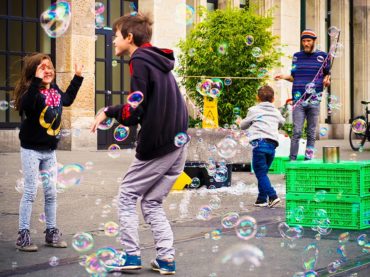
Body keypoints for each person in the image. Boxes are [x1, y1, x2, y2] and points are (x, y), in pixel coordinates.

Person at [91, 12, 188, 275]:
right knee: (151, 202)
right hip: (178, 143)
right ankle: (166, 259)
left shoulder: (140, 60)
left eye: (115, 36)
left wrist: (110, 111)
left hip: (159, 143)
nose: (112, 41)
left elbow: (134, 111)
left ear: (129, 37)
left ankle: (131, 256)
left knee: (126, 195)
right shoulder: (158, 60)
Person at [13, 53, 84, 251]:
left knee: (51, 192)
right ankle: (23, 235)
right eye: (42, 67)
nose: (47, 70)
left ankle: (51, 232)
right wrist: (36, 81)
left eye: (49, 67)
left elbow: (67, 100)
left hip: (49, 150)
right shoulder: (31, 92)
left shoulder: (54, 90)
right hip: (31, 150)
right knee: (29, 192)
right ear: (34, 72)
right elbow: (27, 105)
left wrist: (77, 77)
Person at [275, 29, 331, 160]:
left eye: (308, 41)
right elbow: (294, 77)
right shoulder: (297, 56)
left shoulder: (323, 57)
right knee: (297, 132)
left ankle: (308, 161)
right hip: (298, 100)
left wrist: (327, 80)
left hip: (314, 99)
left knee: (311, 133)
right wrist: (283, 76)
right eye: (304, 41)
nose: (306, 43)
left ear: (314, 41)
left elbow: (327, 75)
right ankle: (292, 161)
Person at [237, 85, 285, 208]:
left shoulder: (253, 110)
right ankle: (261, 199)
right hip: (272, 145)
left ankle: (273, 196)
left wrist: (239, 122)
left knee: (260, 173)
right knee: (263, 172)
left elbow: (243, 126)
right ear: (273, 99)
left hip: (259, 145)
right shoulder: (276, 111)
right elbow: (282, 122)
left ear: (257, 98)